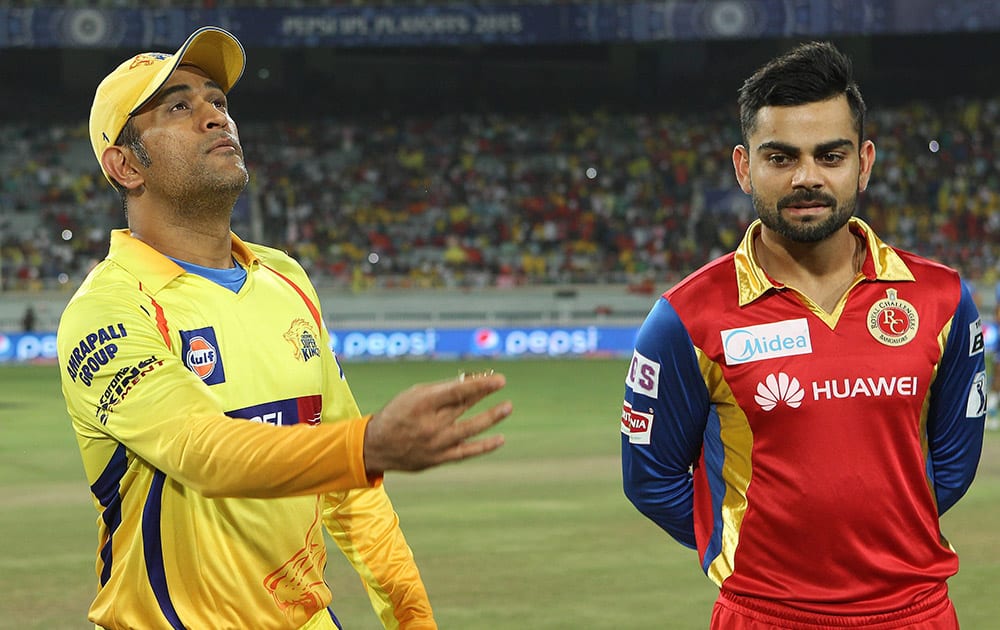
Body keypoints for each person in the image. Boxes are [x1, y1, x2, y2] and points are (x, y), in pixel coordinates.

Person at [57, 26, 512, 630]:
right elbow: (202, 452)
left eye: (218, 101)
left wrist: (412, 616)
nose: (216, 117)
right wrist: (367, 446)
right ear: (124, 165)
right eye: (179, 106)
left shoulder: (285, 276)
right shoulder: (110, 309)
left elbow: (352, 491)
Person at [620, 41, 987, 629]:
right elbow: (650, 477)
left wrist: (877, 536)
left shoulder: (940, 299)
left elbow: (952, 462)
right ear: (745, 167)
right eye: (781, 157)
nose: (807, 177)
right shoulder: (688, 317)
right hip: (762, 615)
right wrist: (763, 552)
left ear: (864, 163)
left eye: (831, 156)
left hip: (914, 613)